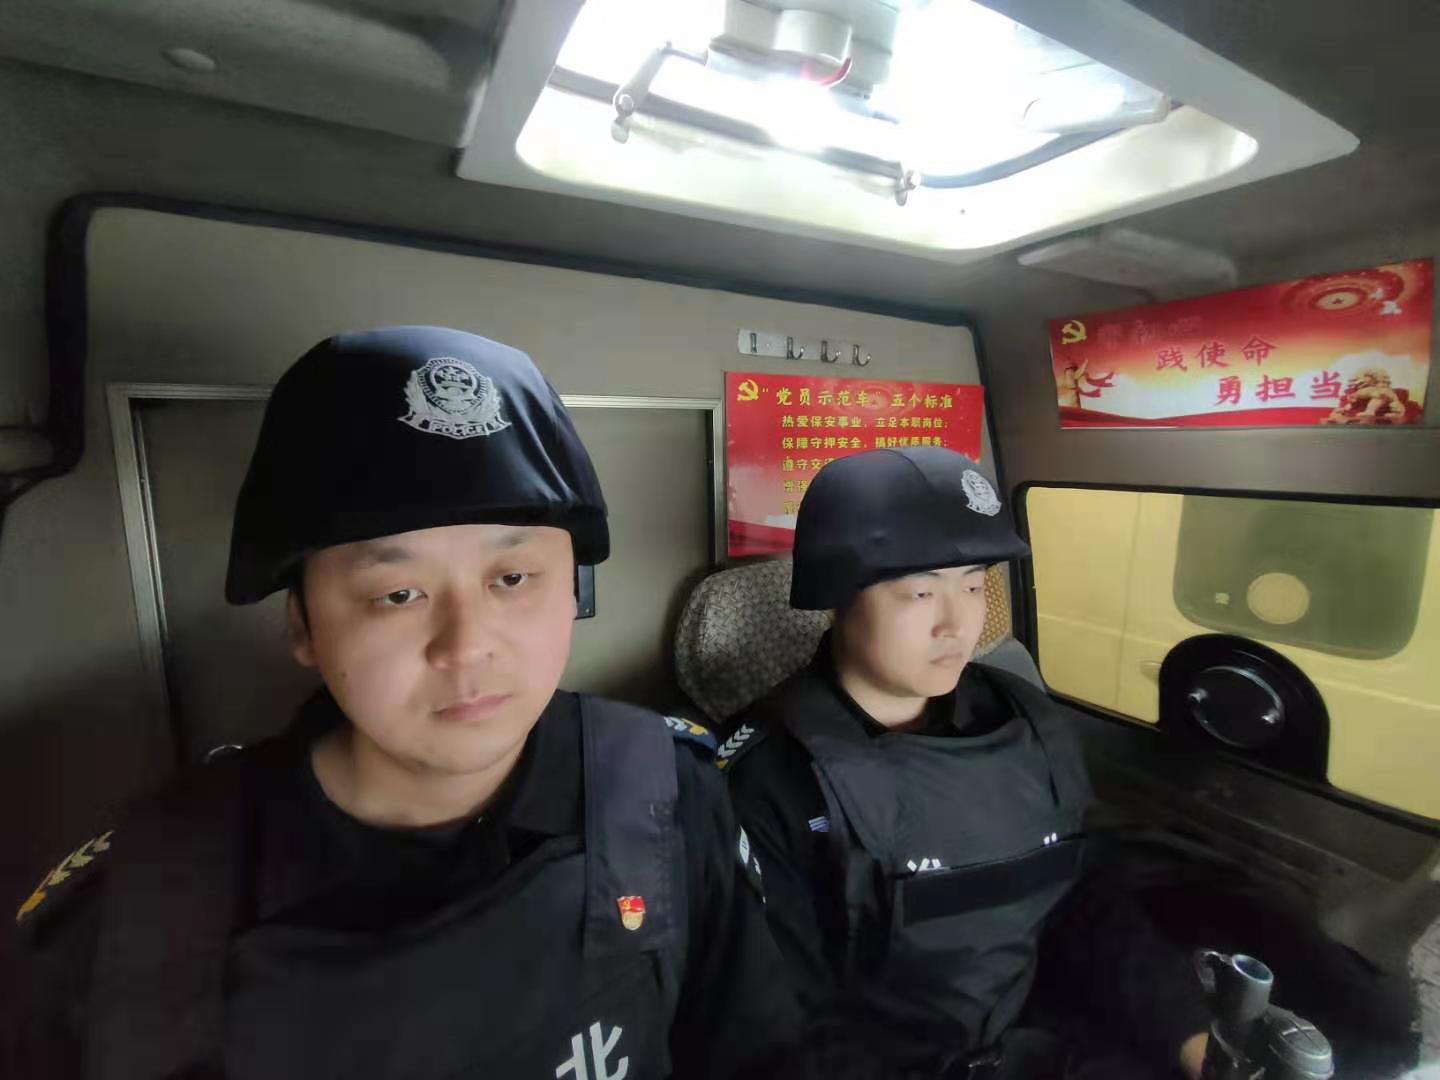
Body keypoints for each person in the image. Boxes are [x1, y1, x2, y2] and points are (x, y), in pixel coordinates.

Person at [16, 326, 800, 1079]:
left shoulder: (665, 788)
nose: (466, 645)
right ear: (303, 625)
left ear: (572, 592)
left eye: (512, 578)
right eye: (398, 593)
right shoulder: (152, 891)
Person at [722, 446, 1211, 1079]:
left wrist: (1188, 1032)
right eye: (921, 591)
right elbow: (783, 1020)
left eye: (975, 585)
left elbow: (1081, 900)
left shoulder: (1026, 720)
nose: (958, 624)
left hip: (1038, 1045)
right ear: (838, 596)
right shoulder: (771, 775)